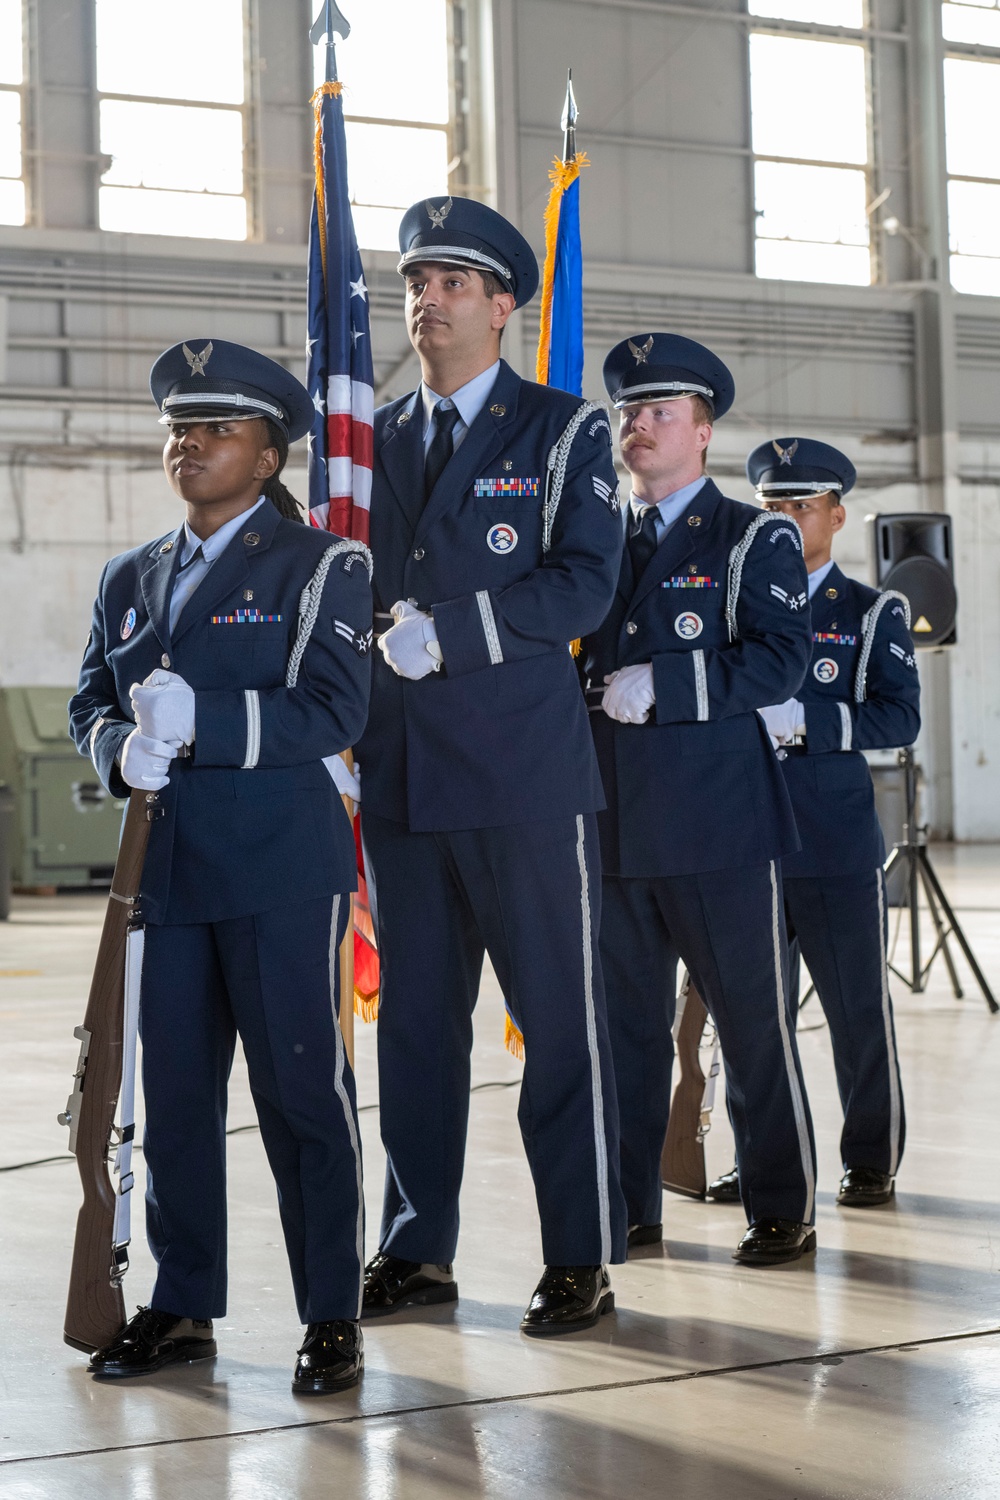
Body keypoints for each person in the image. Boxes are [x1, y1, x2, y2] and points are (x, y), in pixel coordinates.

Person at [69, 339, 372, 1394]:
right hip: (164, 877)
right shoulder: (129, 576)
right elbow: (89, 703)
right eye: (178, 428)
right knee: (176, 1107)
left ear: (271, 454)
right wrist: (118, 749)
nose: (187, 444)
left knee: (302, 1100)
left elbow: (334, 707)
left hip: (281, 870)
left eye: (217, 429)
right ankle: (182, 1303)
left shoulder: (322, 566)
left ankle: (331, 1312)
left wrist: (203, 725)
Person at [355, 195, 628, 1334]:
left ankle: (579, 1253)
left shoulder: (563, 431)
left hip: (521, 784)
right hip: (404, 782)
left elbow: (583, 584)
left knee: (558, 1026)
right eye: (416, 282)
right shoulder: (369, 441)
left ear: (504, 305)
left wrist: (454, 632)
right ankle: (417, 1249)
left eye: (453, 283)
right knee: (417, 1030)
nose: (426, 300)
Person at [581, 333, 820, 1267]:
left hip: (719, 826)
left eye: (660, 412)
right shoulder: (595, 535)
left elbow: (779, 658)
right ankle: (632, 1206)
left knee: (753, 1026)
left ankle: (780, 1205)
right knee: (624, 1036)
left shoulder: (752, 535)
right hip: (611, 825)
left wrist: (670, 687)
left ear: (704, 429)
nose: (639, 427)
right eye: (628, 413)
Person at [706, 439, 920, 1209]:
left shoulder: (869, 613)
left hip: (830, 845)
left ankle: (869, 1157)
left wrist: (809, 724)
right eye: (772, 508)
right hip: (742, 838)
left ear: (837, 513)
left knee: (857, 1009)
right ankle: (767, 1159)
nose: (788, 521)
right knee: (750, 1022)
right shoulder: (730, 610)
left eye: (802, 506)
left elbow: (901, 716)